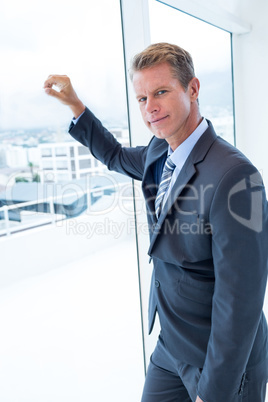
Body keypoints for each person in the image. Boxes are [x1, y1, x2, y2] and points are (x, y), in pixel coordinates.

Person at [44, 42, 268, 402]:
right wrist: (75, 104)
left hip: (219, 359)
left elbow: (241, 300)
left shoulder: (235, 175)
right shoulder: (160, 150)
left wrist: (213, 393)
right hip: (171, 343)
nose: (150, 108)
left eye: (161, 92)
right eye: (142, 99)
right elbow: (115, 155)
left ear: (192, 89)